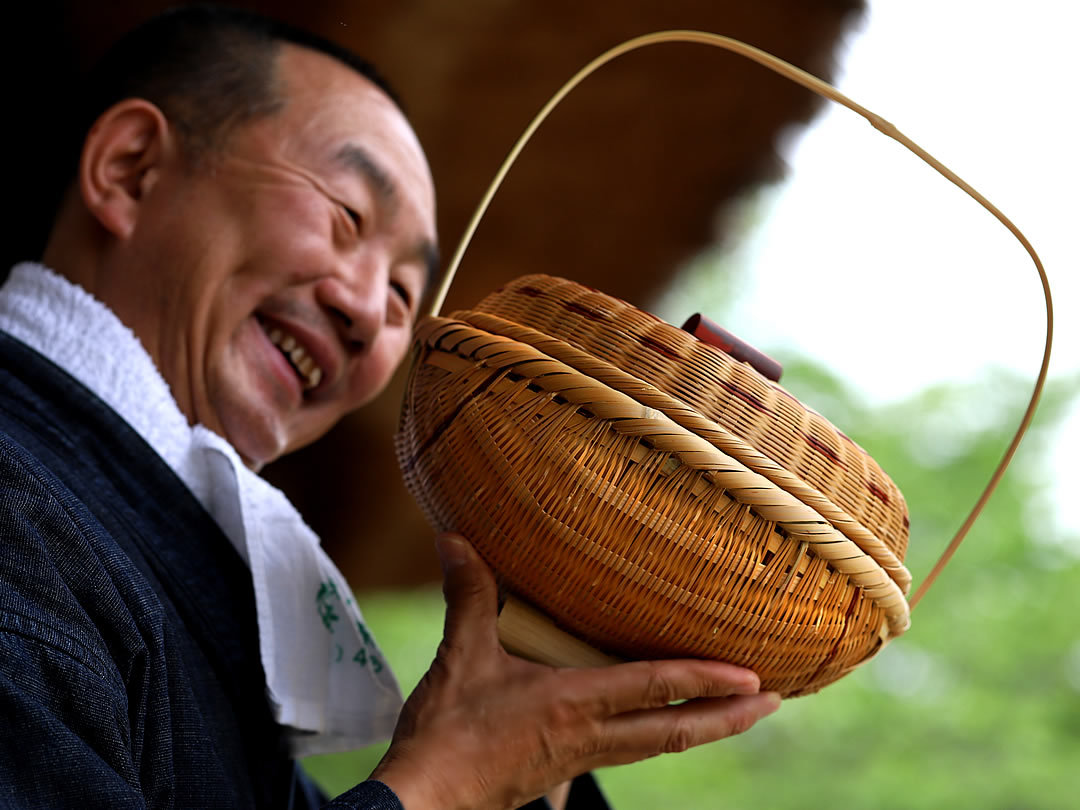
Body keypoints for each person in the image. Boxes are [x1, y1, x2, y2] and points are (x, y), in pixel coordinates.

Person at [0, 5, 781, 809]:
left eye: (406, 293)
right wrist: (445, 779)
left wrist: (527, 741)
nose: (371, 312)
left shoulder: (173, 567)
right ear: (131, 168)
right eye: (347, 216)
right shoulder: (23, 502)